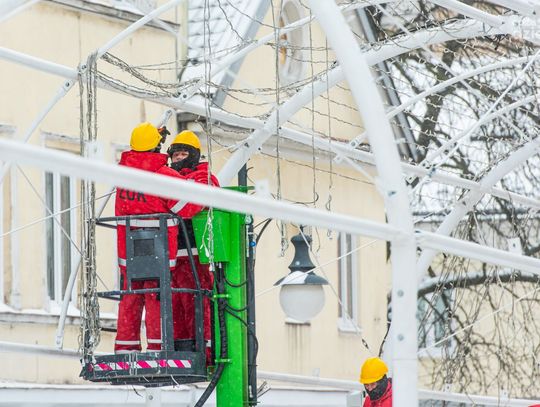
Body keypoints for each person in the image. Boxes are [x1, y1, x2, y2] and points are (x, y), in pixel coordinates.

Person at [114, 122, 203, 354]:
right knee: (156, 297)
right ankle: (157, 347)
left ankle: (125, 347)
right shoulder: (163, 175)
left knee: (130, 297)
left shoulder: (122, 174)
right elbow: (188, 208)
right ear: (157, 147)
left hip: (128, 251)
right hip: (157, 249)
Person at [166, 130, 219, 362]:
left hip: (196, 254)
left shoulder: (204, 178)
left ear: (194, 155)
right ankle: (180, 350)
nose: (178, 158)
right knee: (175, 305)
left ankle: (203, 351)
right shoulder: (167, 178)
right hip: (172, 255)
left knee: (196, 303)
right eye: (175, 154)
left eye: (183, 154)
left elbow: (193, 206)